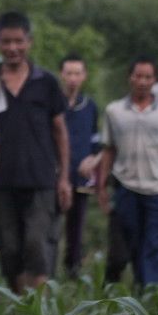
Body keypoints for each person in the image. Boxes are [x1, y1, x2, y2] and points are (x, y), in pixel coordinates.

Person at [0, 12, 71, 294]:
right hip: (0, 178)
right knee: (9, 247)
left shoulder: (45, 82)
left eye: (19, 42)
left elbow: (60, 131)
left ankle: (40, 308)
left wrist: (64, 178)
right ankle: (18, 301)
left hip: (41, 178)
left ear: (29, 42)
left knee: (36, 242)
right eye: (6, 42)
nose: (13, 48)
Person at [96, 57, 158, 287]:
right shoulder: (114, 111)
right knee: (132, 244)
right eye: (138, 76)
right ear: (130, 77)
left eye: (148, 77)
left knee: (157, 246)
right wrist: (101, 187)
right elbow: (108, 150)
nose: (143, 81)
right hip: (127, 187)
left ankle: (153, 297)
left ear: (155, 80)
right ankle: (139, 292)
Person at [57, 54, 102, 278]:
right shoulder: (54, 103)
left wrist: (93, 160)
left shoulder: (90, 106)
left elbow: (96, 140)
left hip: (81, 176)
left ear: (84, 76)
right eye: (69, 73)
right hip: (55, 175)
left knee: (76, 228)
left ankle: (72, 272)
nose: (73, 78)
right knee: (51, 226)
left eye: (77, 73)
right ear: (61, 75)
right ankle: (47, 274)